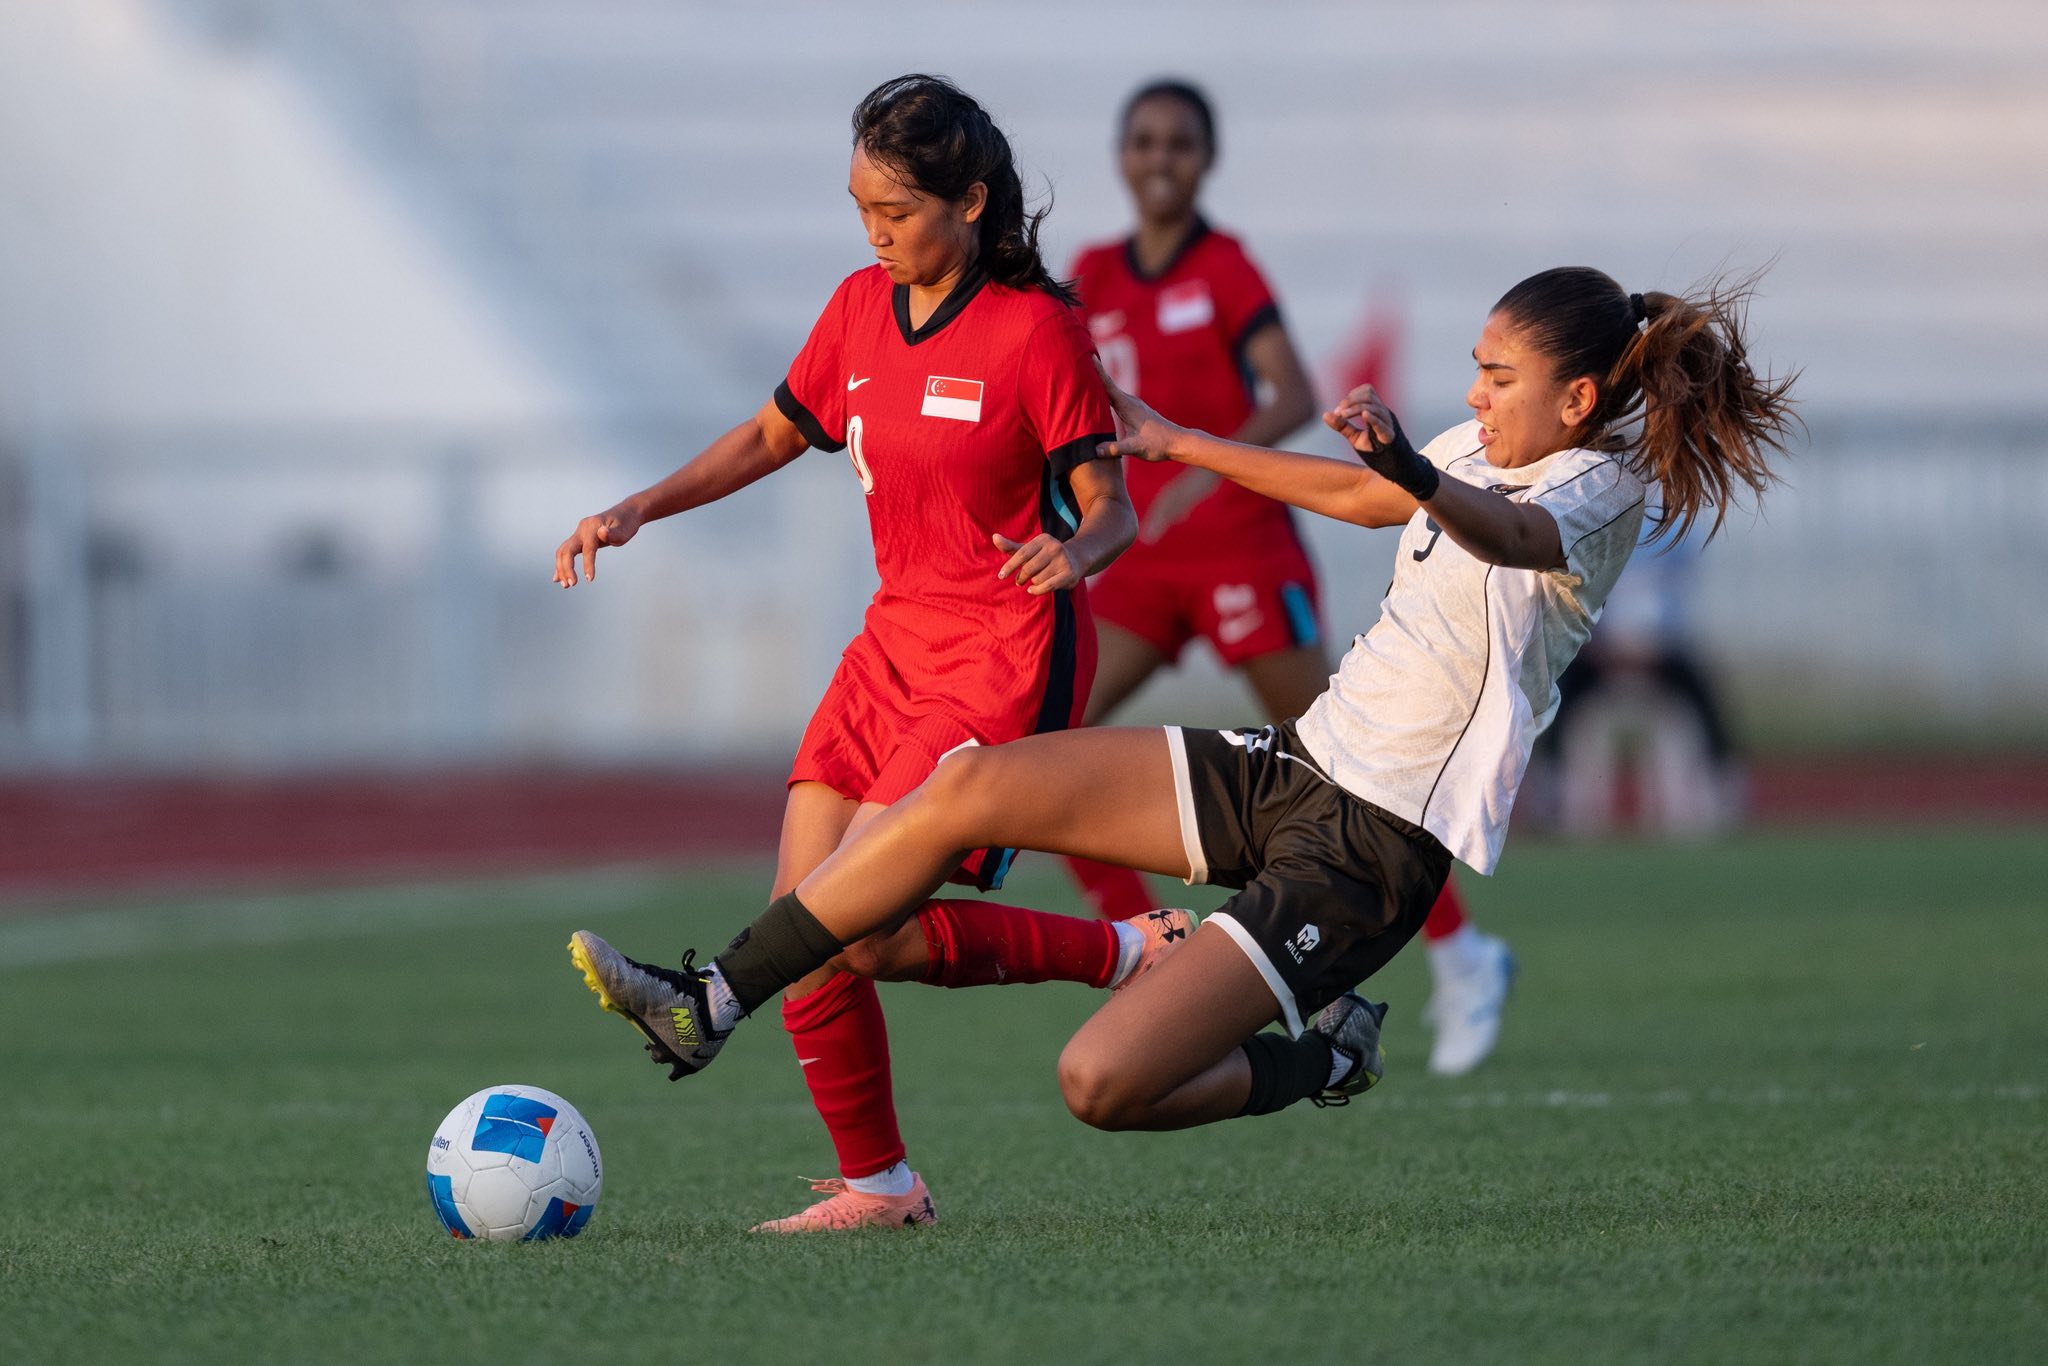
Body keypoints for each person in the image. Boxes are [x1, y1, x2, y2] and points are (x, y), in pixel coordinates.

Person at [569, 264, 1794, 1148]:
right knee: (970, 787)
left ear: (1573, 399)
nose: (1474, 396)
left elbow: (1504, 530)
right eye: (1472, 371)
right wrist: (1175, 440)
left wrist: (1414, 470)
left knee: (1098, 1084)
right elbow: (1364, 498)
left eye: (1496, 376)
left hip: (1370, 852)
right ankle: (710, 997)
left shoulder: (1597, 485)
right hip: (1291, 766)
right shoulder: (1480, 451)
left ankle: (1323, 1051)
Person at [557, 74, 1180, 1231]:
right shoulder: (855, 307)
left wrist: (1078, 552)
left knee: (851, 926)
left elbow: (1112, 503)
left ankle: (1125, 952)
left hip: (1003, 648)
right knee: (809, 924)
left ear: (972, 202)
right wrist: (639, 507)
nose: (874, 234)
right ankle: (880, 1186)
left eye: (894, 213)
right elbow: (766, 433)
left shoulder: (1036, 332)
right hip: (890, 646)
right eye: (859, 211)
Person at [1065, 79, 1512, 1075]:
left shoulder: (1224, 269)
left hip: (1237, 549)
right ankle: (1144, 950)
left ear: (1205, 158)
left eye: (1178, 141)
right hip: (1142, 562)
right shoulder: (1091, 270)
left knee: (1352, 779)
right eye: (1141, 140)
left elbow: (1296, 392)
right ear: (1119, 155)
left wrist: (1194, 462)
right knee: (1049, 749)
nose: (1159, 157)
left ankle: (1463, 950)